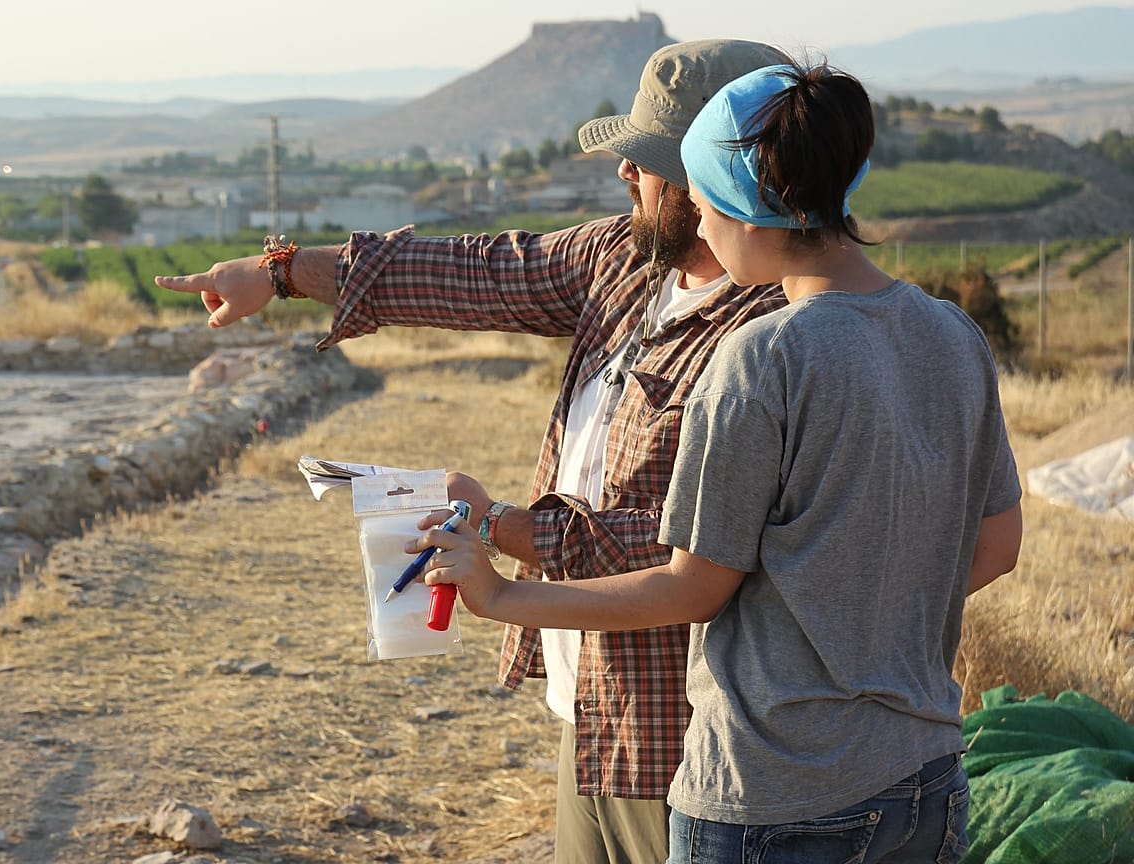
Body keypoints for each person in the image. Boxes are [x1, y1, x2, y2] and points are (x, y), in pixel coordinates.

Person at [157, 39, 793, 864]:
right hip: (593, 707)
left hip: (690, 731)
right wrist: (281, 273)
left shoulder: (777, 328)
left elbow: (718, 550)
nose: (623, 176)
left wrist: (507, 530)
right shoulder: (626, 259)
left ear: (710, 172)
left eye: (644, 161)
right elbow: (477, 271)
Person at [416, 62, 1024, 864]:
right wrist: (857, 621)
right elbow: (995, 546)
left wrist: (497, 594)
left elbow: (692, 587)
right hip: (924, 781)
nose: (697, 230)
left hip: (771, 794)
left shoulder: (758, 359)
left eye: (703, 204)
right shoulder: (953, 336)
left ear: (753, 208)